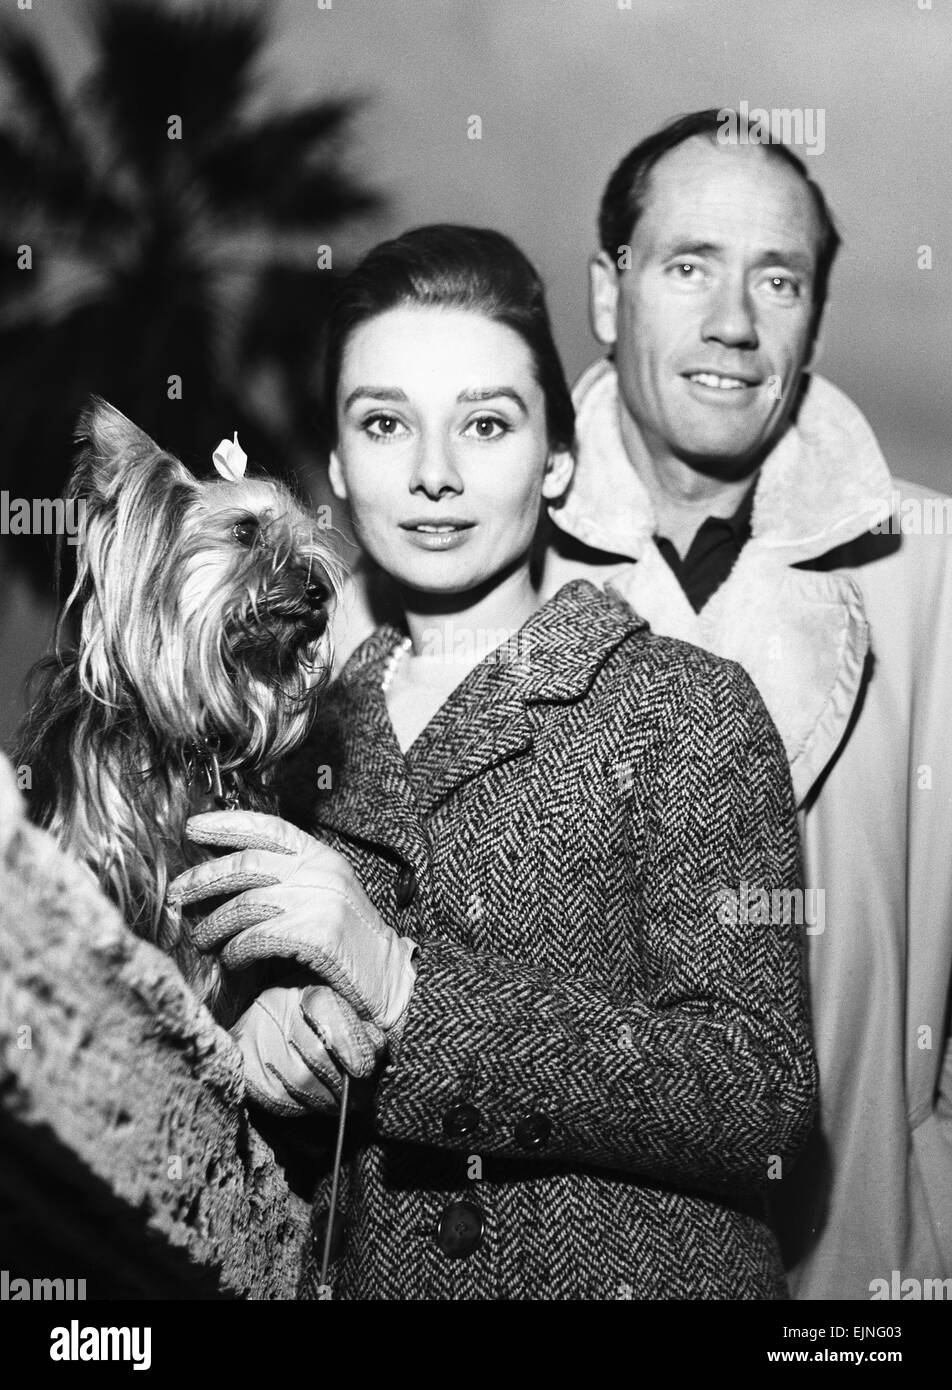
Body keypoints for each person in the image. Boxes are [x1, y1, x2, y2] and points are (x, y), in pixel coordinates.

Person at [169, 224, 817, 1300]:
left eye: (484, 423)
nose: (432, 474)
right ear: (336, 460)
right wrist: (250, 1031)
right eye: (385, 424)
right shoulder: (276, 744)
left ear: (555, 457)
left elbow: (761, 1099)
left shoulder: (684, 710)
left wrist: (403, 985)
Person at [536, 110, 952, 1301]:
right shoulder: (474, 561)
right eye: (687, 267)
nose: (733, 322)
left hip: (848, 1285)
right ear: (608, 295)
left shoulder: (934, 576)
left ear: (814, 316)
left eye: (776, 278)